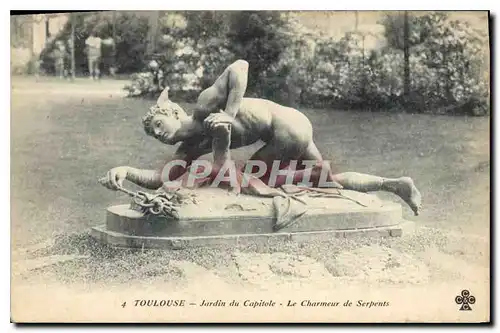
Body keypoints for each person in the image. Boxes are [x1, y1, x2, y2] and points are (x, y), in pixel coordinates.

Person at [101, 60, 422, 215]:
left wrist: (230, 111)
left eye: (157, 126)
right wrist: (126, 171)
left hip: (286, 127)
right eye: (153, 135)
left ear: (172, 113)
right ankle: (394, 184)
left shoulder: (204, 105)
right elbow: (162, 178)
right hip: (292, 128)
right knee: (326, 180)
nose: (158, 135)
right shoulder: (190, 146)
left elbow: (240, 67)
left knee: (253, 181)